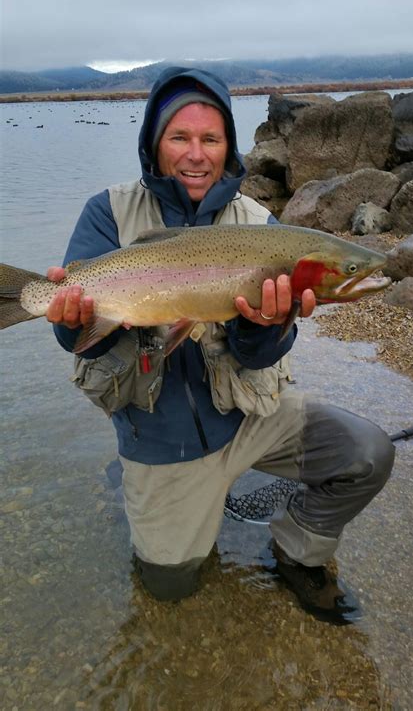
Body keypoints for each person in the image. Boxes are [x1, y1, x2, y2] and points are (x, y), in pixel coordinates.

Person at [47, 66, 395, 624]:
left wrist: (264, 325)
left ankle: (296, 554)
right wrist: (67, 322)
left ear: (228, 145)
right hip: (162, 443)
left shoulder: (260, 223)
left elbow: (259, 357)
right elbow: (81, 344)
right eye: (179, 137)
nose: (196, 155)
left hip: (249, 419)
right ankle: (140, 487)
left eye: (211, 139)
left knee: (367, 454)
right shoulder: (107, 213)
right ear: (153, 143)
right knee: (168, 587)